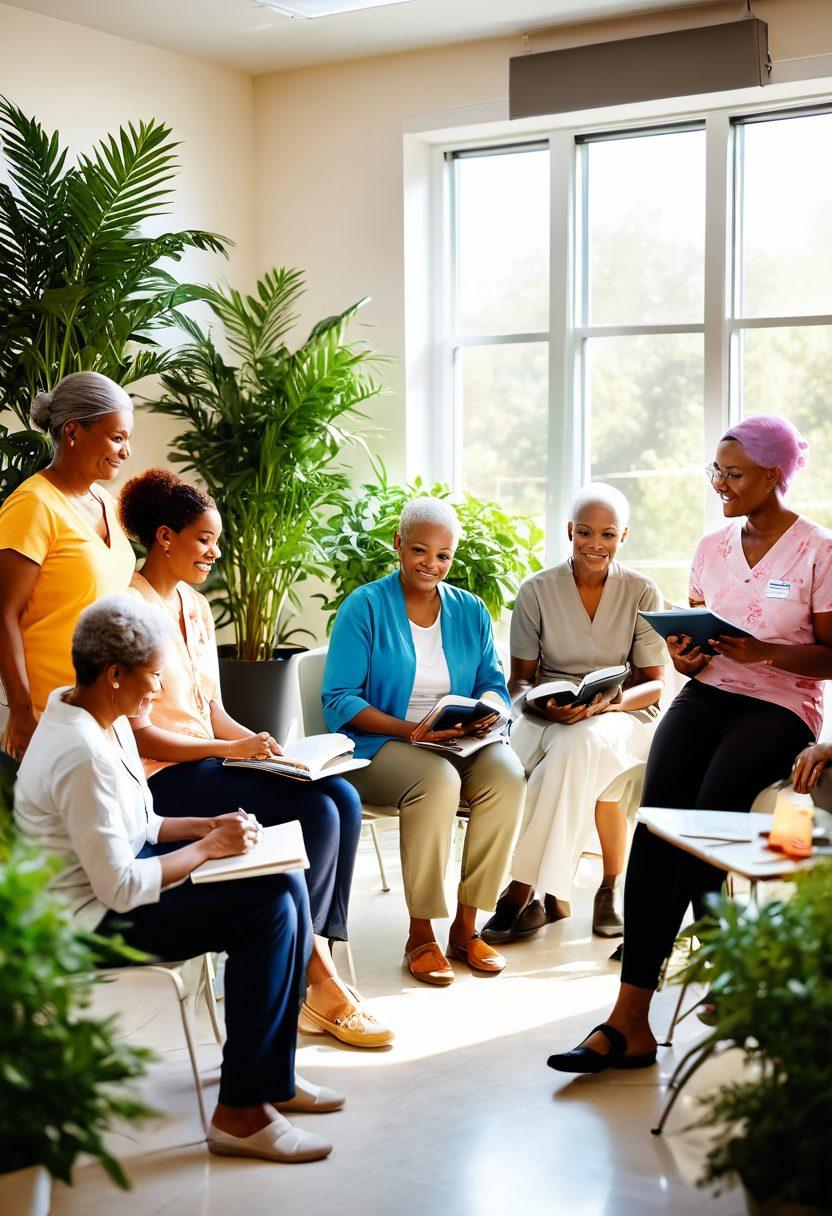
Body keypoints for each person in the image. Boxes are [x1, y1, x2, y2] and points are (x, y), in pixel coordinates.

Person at [549, 415, 832, 1075]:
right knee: (658, 822)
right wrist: (686, 655)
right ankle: (629, 1020)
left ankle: (724, 969)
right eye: (716, 470)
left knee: (706, 814)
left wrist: (767, 652)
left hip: (784, 703)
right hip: (710, 692)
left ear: (773, 475)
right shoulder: (711, 548)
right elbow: (694, 658)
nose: (720, 483)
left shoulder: (819, 550)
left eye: (734, 473)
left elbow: (829, 656)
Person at [14, 595, 340, 1163]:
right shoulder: (80, 750)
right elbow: (117, 886)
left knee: (283, 881)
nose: (159, 691)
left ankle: (271, 1082)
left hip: (113, 889)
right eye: (154, 676)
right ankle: (239, 1113)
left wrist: (204, 825)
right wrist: (210, 848)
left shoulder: (93, 714)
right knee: (264, 908)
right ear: (115, 674)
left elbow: (141, 820)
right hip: (86, 923)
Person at [117, 468, 390, 1049]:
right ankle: (311, 983)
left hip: (208, 763)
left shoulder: (193, 606)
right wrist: (228, 749)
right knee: (315, 813)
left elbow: (209, 708)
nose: (215, 554)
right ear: (164, 537)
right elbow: (140, 736)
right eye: (204, 541)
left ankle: (307, 968)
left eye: (216, 542)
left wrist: (262, 744)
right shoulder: (129, 614)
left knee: (339, 795)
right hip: (162, 783)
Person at [322, 497, 526, 986]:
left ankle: (466, 926)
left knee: (508, 777)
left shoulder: (470, 610)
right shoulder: (365, 606)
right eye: (419, 550)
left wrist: (489, 712)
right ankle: (421, 933)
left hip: (457, 739)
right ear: (398, 545)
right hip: (377, 743)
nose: (431, 565)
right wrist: (410, 731)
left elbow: (493, 681)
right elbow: (339, 700)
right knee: (435, 780)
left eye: (443, 556)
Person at [482, 484, 666, 946]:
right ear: (570, 530)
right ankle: (552, 890)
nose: (595, 545)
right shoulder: (536, 590)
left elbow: (653, 682)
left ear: (624, 535)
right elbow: (519, 682)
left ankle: (524, 889)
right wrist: (545, 704)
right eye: (585, 532)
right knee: (554, 754)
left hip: (621, 715)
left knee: (576, 745)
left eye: (607, 534)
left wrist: (611, 702)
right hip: (547, 714)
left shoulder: (642, 590)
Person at [0, 372, 136, 760]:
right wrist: (22, 712)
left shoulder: (104, 501)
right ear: (73, 433)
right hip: (50, 717)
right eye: (117, 437)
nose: (126, 451)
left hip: (104, 718)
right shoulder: (32, 506)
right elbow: (3, 613)